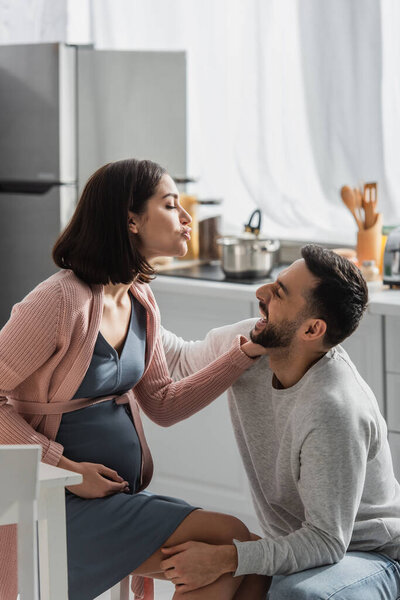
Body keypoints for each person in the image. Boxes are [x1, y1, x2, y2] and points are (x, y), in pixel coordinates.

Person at [0, 158, 271, 600]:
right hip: (52, 502)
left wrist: (244, 354)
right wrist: (66, 470)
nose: (187, 218)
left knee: (245, 560)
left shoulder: (140, 299)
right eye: (170, 205)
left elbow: (162, 403)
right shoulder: (59, 301)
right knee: (235, 547)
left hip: (107, 502)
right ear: (131, 219)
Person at [160, 245, 400, 599]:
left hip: (368, 554)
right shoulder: (253, 341)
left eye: (279, 294)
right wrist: (124, 289)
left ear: (312, 329)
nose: (261, 294)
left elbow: (326, 541)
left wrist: (228, 558)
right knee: (210, 575)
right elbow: (179, 359)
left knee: (300, 594)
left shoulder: (333, 407)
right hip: (301, 542)